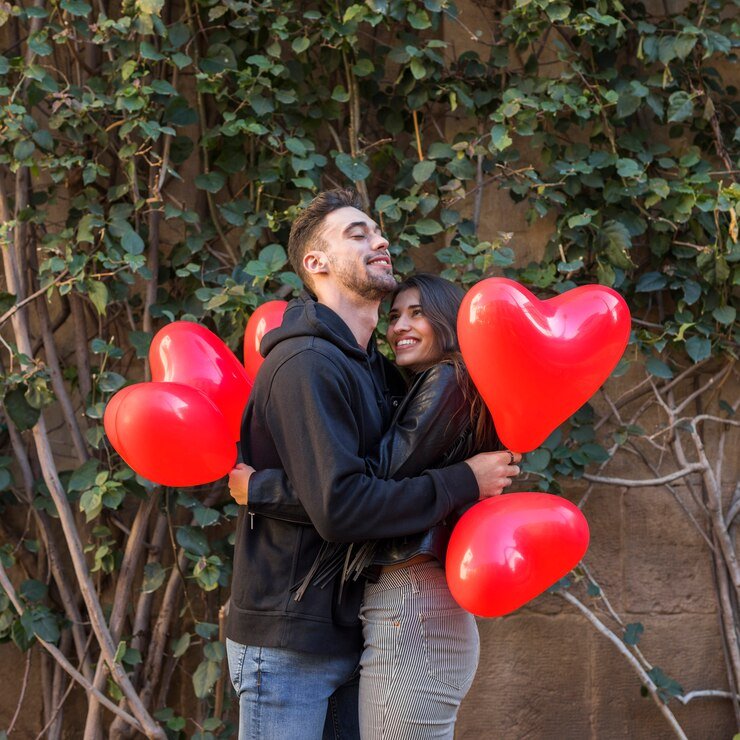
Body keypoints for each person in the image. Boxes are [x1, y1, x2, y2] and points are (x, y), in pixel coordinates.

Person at [225, 189, 520, 740]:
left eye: (379, 232)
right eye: (357, 234)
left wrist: (263, 488)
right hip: (290, 638)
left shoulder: (379, 372)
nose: (380, 240)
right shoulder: (307, 362)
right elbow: (342, 506)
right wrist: (465, 481)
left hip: (356, 628)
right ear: (317, 263)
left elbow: (370, 482)